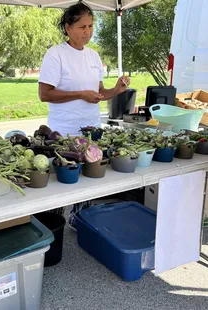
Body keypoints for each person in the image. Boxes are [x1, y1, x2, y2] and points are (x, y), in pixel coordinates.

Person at [38, 1, 130, 229]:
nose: (88, 32)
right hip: (65, 131)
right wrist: (80, 94)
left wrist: (116, 90)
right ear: (68, 28)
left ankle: (80, 219)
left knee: (88, 180)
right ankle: (52, 223)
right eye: (82, 27)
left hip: (90, 131)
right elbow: (44, 94)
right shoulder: (56, 54)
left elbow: (99, 93)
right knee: (63, 181)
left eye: (90, 26)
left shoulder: (93, 56)